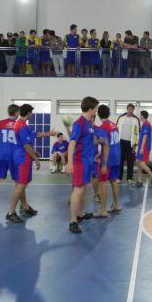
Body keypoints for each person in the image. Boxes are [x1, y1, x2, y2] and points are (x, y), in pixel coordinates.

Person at [66, 96, 100, 234]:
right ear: (90, 109)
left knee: (85, 188)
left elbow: (89, 142)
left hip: (88, 161)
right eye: (95, 108)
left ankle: (80, 214)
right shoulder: (79, 123)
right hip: (80, 162)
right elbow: (72, 143)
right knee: (78, 190)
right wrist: (69, 163)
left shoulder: (89, 124)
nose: (96, 111)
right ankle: (73, 221)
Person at [6, 104, 42, 223]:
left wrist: (33, 151)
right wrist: (35, 158)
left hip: (17, 157)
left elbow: (23, 143)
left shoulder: (19, 124)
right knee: (21, 186)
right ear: (28, 113)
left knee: (20, 185)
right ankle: (11, 212)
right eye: (31, 113)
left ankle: (25, 207)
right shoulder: (21, 126)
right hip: (23, 159)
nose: (32, 115)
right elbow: (26, 146)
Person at [94, 104, 121, 217]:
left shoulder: (102, 128)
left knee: (103, 183)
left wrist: (103, 162)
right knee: (114, 181)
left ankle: (103, 210)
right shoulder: (114, 125)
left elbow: (104, 144)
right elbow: (110, 142)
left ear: (98, 114)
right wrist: (100, 154)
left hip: (108, 159)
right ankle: (116, 205)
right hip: (117, 156)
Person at [117, 103, 140, 186]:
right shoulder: (121, 118)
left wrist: (135, 145)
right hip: (121, 142)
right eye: (129, 109)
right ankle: (119, 177)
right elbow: (116, 129)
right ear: (127, 109)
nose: (130, 111)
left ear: (133, 110)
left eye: (132, 109)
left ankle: (129, 178)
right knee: (120, 160)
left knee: (130, 161)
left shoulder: (136, 119)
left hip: (131, 143)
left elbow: (137, 133)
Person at [135, 110, 152, 188]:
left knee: (142, 163)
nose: (139, 116)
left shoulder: (147, 124)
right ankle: (139, 181)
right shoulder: (144, 124)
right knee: (138, 162)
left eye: (140, 115)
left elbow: (145, 136)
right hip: (141, 146)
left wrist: (142, 148)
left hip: (144, 147)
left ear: (143, 116)